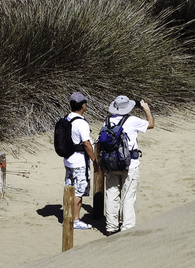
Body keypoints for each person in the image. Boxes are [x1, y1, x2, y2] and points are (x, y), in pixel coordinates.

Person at [98, 95, 153, 235]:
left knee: (111, 195)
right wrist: (146, 109)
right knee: (128, 196)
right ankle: (127, 227)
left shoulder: (107, 121)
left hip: (111, 163)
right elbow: (150, 124)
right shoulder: (133, 120)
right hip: (130, 164)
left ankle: (111, 227)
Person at [61, 91, 96, 230]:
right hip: (79, 161)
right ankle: (75, 219)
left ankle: (67, 217)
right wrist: (94, 160)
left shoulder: (66, 119)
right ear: (83, 106)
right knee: (79, 191)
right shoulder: (81, 123)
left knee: (69, 188)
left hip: (68, 160)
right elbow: (86, 144)